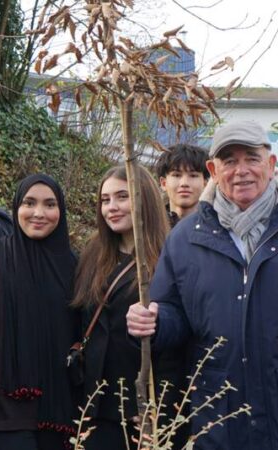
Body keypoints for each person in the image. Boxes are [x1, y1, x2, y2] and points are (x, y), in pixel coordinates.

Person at [126, 120, 278, 450]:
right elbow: (175, 315)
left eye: (251, 158)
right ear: (213, 170)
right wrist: (154, 321)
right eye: (229, 161)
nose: (241, 170)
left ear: (271, 163)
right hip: (220, 420)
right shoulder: (185, 239)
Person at [71, 164, 185, 449]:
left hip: (142, 411)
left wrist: (160, 406)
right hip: (96, 407)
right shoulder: (94, 254)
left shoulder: (169, 257)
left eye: (122, 197)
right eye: (105, 200)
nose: (112, 207)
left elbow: (181, 339)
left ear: (143, 197)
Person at [0, 174, 77, 450]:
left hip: (60, 418)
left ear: (61, 212)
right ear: (16, 208)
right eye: (29, 203)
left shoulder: (77, 267)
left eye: (50, 205)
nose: (39, 213)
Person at [155, 143, 210, 228]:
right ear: (163, 183)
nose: (184, 183)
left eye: (193, 175)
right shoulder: (151, 228)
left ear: (205, 184)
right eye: (177, 175)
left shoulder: (218, 227)